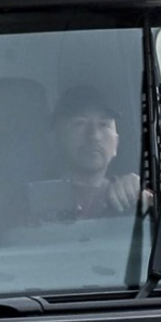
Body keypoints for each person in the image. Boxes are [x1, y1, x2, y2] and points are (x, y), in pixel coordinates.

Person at [28, 85, 148, 222]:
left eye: (104, 125)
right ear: (54, 140)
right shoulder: (29, 201)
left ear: (116, 143)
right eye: (80, 124)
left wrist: (143, 194)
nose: (94, 135)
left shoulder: (131, 196)